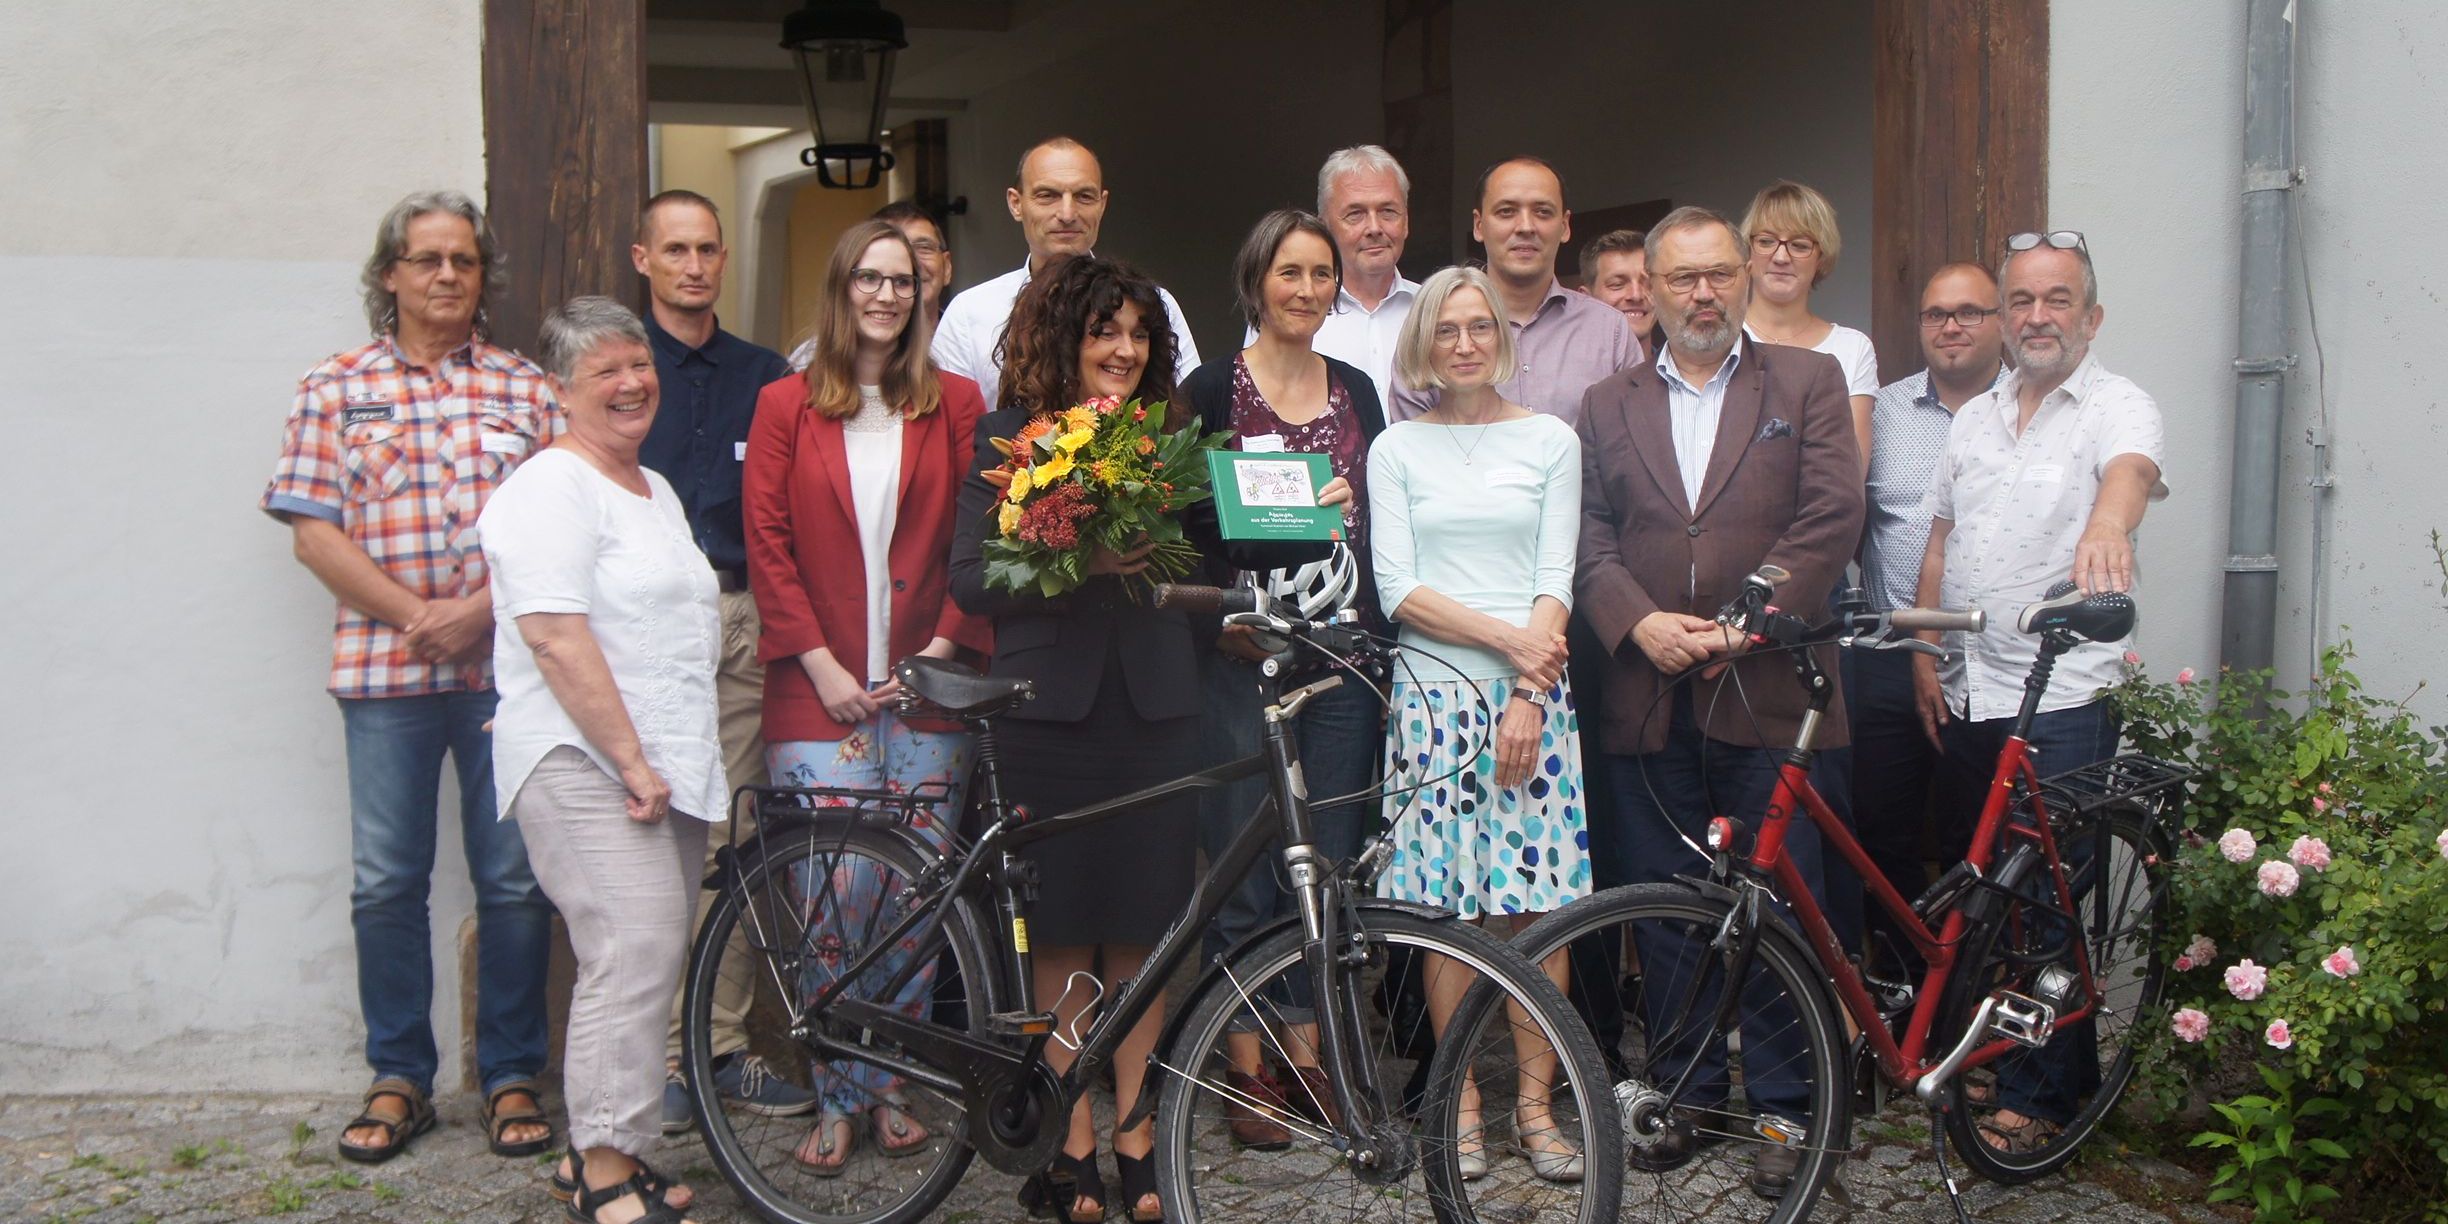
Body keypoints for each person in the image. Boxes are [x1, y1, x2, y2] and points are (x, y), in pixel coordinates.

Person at [950, 255, 1324, 1224]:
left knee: (1148, 935)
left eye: (1137, 334)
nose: (1122, 350)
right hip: (1050, 716)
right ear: (1061, 340)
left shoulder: (1173, 441)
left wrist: (1304, 526)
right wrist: (1075, 551)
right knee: (1069, 928)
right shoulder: (1007, 438)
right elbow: (970, 582)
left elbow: (1222, 555)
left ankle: (1135, 1133)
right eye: (1101, 332)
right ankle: (1069, 1136)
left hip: (1162, 711)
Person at [260, 190, 556, 1166]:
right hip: (383, 674)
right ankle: (399, 1076)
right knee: (387, 883)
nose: (445, 276)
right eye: (426, 259)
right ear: (389, 273)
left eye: (463, 261)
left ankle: (512, 1073)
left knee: (514, 881)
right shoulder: (333, 386)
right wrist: (416, 618)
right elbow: (313, 531)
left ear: (483, 276)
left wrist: (477, 615)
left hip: (504, 671)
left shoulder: (525, 389)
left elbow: (557, 531)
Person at [1572, 205, 1863, 1199]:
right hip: (1647, 694)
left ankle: (1788, 1111)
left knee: (1779, 906)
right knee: (1666, 912)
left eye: (1718, 274)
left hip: (1773, 684)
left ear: (1743, 278)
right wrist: (1637, 623)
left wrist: (1748, 615)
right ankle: (1689, 1093)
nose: (1703, 293)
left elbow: (1833, 515)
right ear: (1646, 289)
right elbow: (1589, 534)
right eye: (1681, 277)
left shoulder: (1809, 381)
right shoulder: (1605, 402)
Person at [742, 219, 992, 1172]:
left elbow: (984, 537)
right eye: (869, 279)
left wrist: (938, 650)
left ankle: (890, 1079)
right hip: (821, 692)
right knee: (833, 894)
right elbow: (767, 543)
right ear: (841, 290)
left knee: (914, 894)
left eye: (902, 281)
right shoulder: (784, 405)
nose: (887, 296)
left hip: (929, 687)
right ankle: (835, 1088)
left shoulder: (957, 401)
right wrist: (820, 665)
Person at [1912, 229, 2166, 1154]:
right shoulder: (1975, 416)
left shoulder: (2116, 406)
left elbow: (2129, 477)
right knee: (1985, 888)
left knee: (2048, 899)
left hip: (2061, 695)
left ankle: (2047, 1099)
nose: (2036, 316)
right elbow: (1941, 536)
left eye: (2057, 300)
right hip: (1974, 687)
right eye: (2022, 301)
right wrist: (1924, 652)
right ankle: (2011, 1064)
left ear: (2090, 316)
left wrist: (2108, 528)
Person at [481, 296, 726, 1224]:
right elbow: (552, 635)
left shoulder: (651, 488)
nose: (632, 385)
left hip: (656, 762)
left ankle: (603, 1148)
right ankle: (605, 1171)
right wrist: (629, 758)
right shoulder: (550, 488)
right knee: (628, 950)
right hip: (584, 759)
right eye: (606, 372)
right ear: (559, 391)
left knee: (644, 954)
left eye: (642, 366)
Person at [1370, 264, 1588, 1182]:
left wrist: (1527, 693)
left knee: (1539, 913)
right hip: (1432, 703)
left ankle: (1537, 1109)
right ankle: (1456, 1105)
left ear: (1504, 337)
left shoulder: (1551, 438)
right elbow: (1398, 590)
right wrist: (1509, 650)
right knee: (1447, 914)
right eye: (1447, 329)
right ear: (1423, 342)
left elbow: (1556, 575)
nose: (1465, 343)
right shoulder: (1396, 449)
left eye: (1480, 327)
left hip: (1533, 703)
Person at [1180, 209, 1388, 1150]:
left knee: (1329, 864)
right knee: (1245, 865)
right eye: (1288, 273)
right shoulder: (1207, 388)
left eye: (1320, 274)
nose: (1305, 290)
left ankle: (1314, 1062)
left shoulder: (1357, 390)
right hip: (1241, 655)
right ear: (1255, 280)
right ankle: (1246, 1066)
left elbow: (1376, 527)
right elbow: (1182, 528)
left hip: (1340, 655)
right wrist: (1264, 531)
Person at [627, 188, 812, 1132]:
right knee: (649, 836)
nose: (695, 265)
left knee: (736, 838)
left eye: (708, 250)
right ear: (643, 259)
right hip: (643, 628)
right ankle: (649, 1060)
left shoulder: (766, 375)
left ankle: (722, 1049)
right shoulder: (617, 370)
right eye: (677, 250)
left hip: (737, 617)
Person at [1851, 262, 2006, 966]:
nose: (1951, 326)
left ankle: (1974, 1000)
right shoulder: (1882, 412)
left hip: (1994, 665)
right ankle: (1907, 1001)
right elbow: (1852, 516)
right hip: (1887, 661)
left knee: (1981, 841)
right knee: (1881, 838)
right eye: (1936, 314)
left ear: (2000, 322)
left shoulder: (2027, 410)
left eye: (1970, 312)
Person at [931, 137, 1200, 409]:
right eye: (1048, 195)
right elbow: (949, 428)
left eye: (1084, 196)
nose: (1067, 213)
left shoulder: (1154, 303)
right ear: (1016, 203)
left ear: (1102, 204)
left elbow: (1186, 412)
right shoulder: (970, 313)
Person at [1388, 157, 1639, 426]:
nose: (1526, 227)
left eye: (1542, 212)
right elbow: (1413, 448)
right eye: (1507, 212)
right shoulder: (1431, 329)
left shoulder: (1609, 331)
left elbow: (1631, 444)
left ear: (1565, 226)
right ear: (1479, 225)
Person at [1245, 145, 1419, 407]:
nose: (1374, 227)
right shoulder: (1292, 311)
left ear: (1406, 222)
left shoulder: (1436, 311)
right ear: (1324, 225)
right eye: (1355, 214)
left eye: (1388, 212)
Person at [1738, 180, 1879, 468]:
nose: (1780, 257)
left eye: (1799, 245)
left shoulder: (1852, 348)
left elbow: (1851, 467)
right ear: (1747, 251)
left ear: (1821, 258)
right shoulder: (1720, 338)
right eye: (1765, 241)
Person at [1578, 227, 1662, 354]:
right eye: (1617, 284)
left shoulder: (1684, 372)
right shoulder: (1564, 373)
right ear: (1585, 299)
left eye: (1648, 283)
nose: (1636, 295)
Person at [874, 199, 955, 320]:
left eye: (924, 248)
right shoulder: (839, 339)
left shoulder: (974, 338)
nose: (911, 263)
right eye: (893, 249)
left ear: (947, 267)